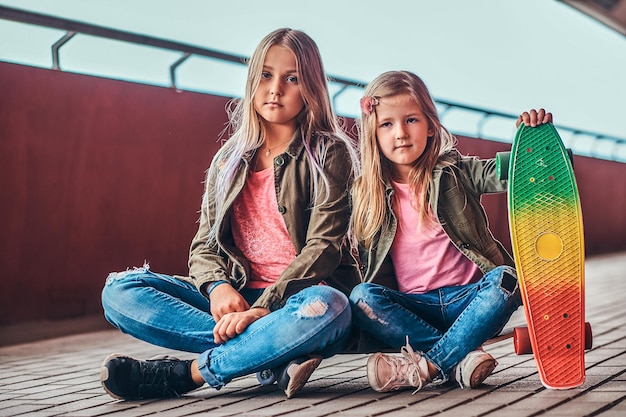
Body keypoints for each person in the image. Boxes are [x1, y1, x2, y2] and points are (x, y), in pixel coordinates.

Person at [100, 28, 360, 400]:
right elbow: (204, 245)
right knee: (120, 290)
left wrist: (265, 309)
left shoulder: (328, 152)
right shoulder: (229, 160)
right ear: (252, 80)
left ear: (311, 89)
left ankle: (185, 374)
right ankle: (268, 353)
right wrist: (217, 287)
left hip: (299, 298)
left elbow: (323, 248)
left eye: (292, 79)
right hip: (238, 293)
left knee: (331, 308)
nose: (276, 89)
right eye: (266, 75)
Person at [349, 70, 552, 393]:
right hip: (415, 309)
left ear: (430, 125)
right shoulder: (366, 192)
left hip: (469, 301)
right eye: (387, 124)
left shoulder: (455, 171)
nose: (400, 132)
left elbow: (508, 175)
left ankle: (426, 366)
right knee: (361, 297)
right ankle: (461, 356)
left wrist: (532, 143)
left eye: (411, 120)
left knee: (506, 279)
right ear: (373, 132)